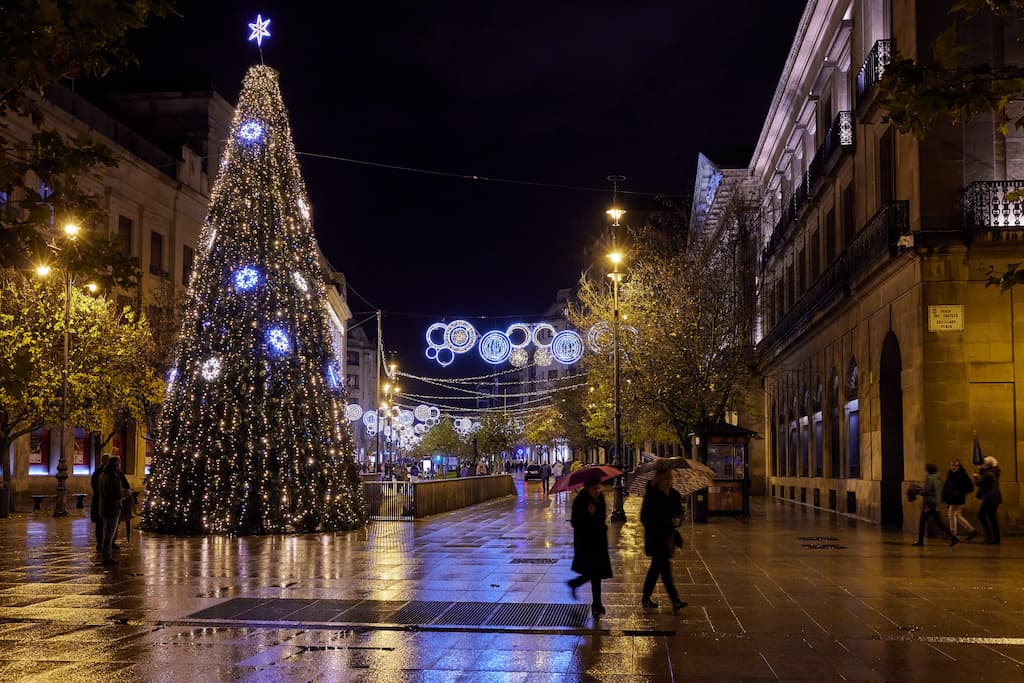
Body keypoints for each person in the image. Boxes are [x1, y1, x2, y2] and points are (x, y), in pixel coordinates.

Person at [640, 467, 688, 613]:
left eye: (670, 478)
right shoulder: (652, 495)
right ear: (659, 479)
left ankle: (646, 599)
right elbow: (644, 518)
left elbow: (679, 513)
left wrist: (678, 520)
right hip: (656, 537)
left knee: (656, 569)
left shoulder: (674, 495)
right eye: (665, 478)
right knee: (664, 570)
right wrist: (660, 521)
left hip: (667, 538)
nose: (668, 481)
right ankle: (675, 601)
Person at [567, 476, 612, 617]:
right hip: (586, 542)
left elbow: (602, 517)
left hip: (599, 540)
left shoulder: (600, 498)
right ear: (587, 488)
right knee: (595, 572)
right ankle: (596, 604)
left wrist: (597, 515)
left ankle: (593, 600)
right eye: (594, 489)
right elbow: (575, 522)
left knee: (596, 573)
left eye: (599, 488)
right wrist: (588, 515)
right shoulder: (580, 500)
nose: (597, 491)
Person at [913, 463, 959, 547]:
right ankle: (953, 537)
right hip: (935, 504)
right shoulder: (938, 478)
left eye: (926, 470)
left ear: (928, 470)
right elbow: (937, 492)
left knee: (922, 522)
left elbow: (927, 491)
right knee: (939, 522)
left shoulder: (930, 478)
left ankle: (920, 541)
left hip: (929, 504)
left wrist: (918, 491)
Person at [97, 456, 126, 565]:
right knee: (109, 534)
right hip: (112, 508)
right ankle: (107, 557)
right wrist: (125, 494)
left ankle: (106, 555)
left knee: (106, 532)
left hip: (103, 507)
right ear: (116, 465)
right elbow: (115, 494)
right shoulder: (114, 477)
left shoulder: (102, 475)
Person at [941, 459, 976, 541]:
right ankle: (971, 530)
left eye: (956, 466)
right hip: (951, 498)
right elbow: (946, 486)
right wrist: (944, 496)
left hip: (957, 499)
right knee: (957, 515)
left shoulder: (963, 475)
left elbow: (970, 487)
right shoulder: (950, 474)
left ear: (959, 467)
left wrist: (959, 492)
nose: (954, 467)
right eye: (952, 465)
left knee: (951, 514)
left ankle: (953, 534)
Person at [975, 456, 1002, 544]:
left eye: (984, 463)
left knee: (982, 515)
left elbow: (980, 483)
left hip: (990, 497)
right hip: (994, 497)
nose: (983, 464)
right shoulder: (994, 471)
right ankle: (994, 537)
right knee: (991, 517)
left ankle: (990, 536)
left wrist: (975, 477)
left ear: (987, 465)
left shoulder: (988, 474)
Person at [90, 453, 110, 553]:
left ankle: (103, 542)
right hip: (102, 501)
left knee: (102, 523)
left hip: (99, 500)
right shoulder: (100, 473)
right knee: (102, 523)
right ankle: (102, 543)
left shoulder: (97, 472)